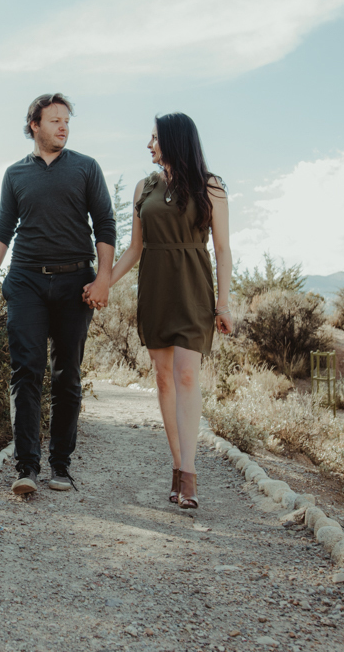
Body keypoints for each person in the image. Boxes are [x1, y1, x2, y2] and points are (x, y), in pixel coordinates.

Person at [0, 93, 116, 495]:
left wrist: (103, 279)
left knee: (67, 374)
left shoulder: (86, 168)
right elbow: (1, 231)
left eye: (66, 120)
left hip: (75, 282)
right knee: (26, 371)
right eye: (55, 120)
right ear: (34, 125)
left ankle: (61, 466)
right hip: (26, 281)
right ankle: (26, 468)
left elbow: (105, 223)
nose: (63, 127)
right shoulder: (15, 174)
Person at [93, 112, 232, 509]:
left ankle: (189, 474)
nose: (148, 144)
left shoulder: (211, 186)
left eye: (154, 137)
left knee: (187, 374)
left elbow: (223, 249)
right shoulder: (144, 187)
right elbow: (134, 249)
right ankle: (176, 463)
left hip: (193, 287)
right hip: (155, 286)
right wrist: (104, 282)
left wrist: (223, 303)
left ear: (173, 140)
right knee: (164, 378)